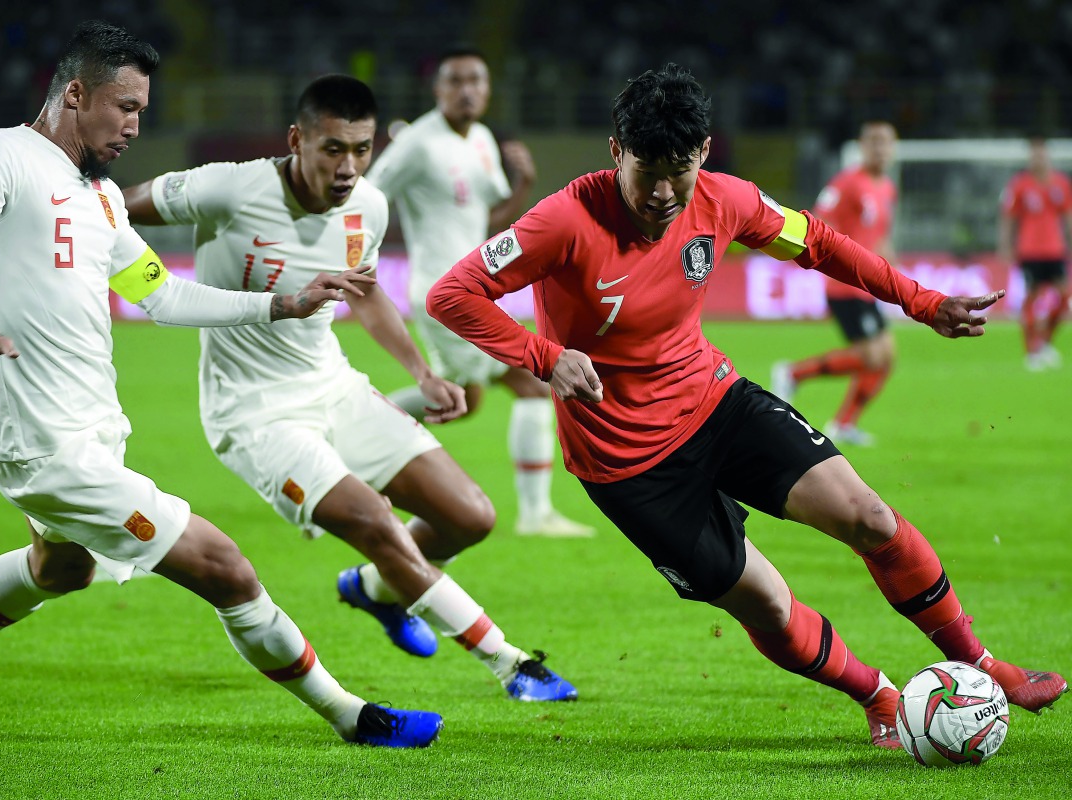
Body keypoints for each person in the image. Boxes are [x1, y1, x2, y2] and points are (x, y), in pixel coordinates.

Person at [428, 63, 1066, 749]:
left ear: (704, 153)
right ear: (617, 152)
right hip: (628, 465)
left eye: (682, 169)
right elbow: (450, 295)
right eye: (649, 172)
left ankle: (981, 664)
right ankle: (877, 697)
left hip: (714, 403)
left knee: (870, 517)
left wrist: (922, 300)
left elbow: (817, 242)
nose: (666, 193)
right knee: (764, 601)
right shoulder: (563, 220)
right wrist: (546, 357)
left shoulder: (724, 200)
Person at [0, 21, 443, 748]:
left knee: (59, 569)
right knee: (226, 567)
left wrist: (283, 302)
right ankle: (353, 716)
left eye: (143, 111)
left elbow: (165, 298)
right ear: (76, 93)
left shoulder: (104, 198)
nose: (133, 126)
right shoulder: (2, 157)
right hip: (45, 446)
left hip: (92, 432)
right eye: (124, 107)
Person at [121, 75, 577, 703]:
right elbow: (112, 210)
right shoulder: (231, 186)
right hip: (256, 416)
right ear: (296, 140)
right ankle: (512, 665)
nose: (349, 166)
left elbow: (365, 293)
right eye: (333, 148)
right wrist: (149, 284)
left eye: (361, 149)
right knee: (378, 523)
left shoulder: (370, 205)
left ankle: (374, 589)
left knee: (468, 517)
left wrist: (421, 372)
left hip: (335, 387)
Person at [365, 47, 593, 537]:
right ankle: (535, 515)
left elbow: (482, 221)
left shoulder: (484, 139)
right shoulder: (418, 144)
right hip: (441, 293)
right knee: (533, 384)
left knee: (461, 401)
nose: (468, 90)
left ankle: (358, 423)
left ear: (487, 90)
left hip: (471, 290)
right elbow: (366, 197)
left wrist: (523, 184)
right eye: (457, 81)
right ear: (439, 89)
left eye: (477, 81)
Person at [771, 121, 899, 446]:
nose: (880, 149)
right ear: (861, 146)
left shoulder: (885, 188)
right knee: (872, 356)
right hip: (845, 284)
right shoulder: (846, 183)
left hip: (868, 285)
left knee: (887, 356)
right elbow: (819, 218)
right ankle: (792, 374)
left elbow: (879, 236)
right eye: (874, 142)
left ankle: (844, 424)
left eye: (885, 142)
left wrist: (892, 272)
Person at [998, 136, 1072, 370]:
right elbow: (1009, 217)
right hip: (1029, 251)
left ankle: (1045, 343)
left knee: (1065, 298)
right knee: (1031, 298)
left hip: (1055, 250)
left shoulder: (1060, 183)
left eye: (1041, 153)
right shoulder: (1020, 184)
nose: (1037, 158)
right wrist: (1006, 246)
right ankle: (1031, 351)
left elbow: (1068, 217)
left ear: (1047, 156)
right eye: (1033, 154)